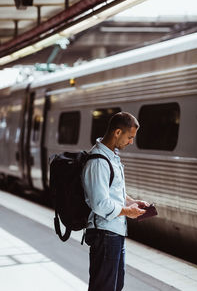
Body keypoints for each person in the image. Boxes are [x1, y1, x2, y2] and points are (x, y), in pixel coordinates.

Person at [82, 111, 150, 291]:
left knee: (115, 286)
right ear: (117, 132)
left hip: (115, 232)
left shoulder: (112, 157)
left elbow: (114, 192)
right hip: (104, 234)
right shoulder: (98, 161)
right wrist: (128, 212)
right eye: (130, 137)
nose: (131, 142)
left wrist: (132, 202)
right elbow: (100, 203)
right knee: (104, 287)